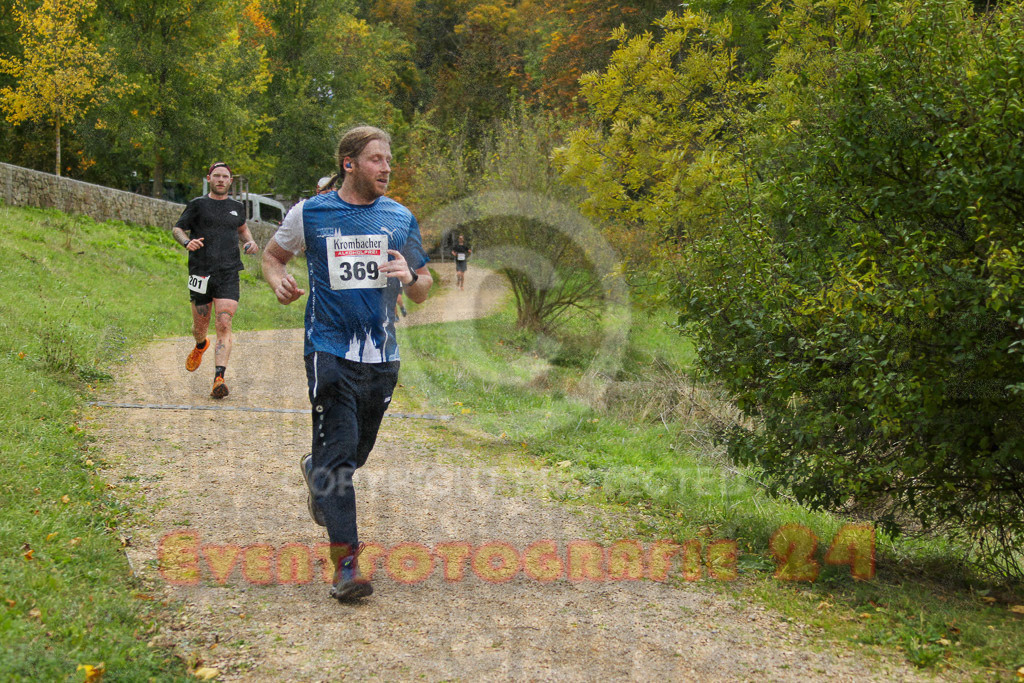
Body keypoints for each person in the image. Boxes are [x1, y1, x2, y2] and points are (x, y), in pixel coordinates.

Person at [262, 126, 432, 602]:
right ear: (349, 163)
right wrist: (277, 280)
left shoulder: (399, 218)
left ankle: (317, 470)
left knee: (352, 456)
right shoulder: (310, 213)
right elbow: (273, 256)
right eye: (377, 159)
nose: (386, 168)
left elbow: (423, 287)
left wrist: (411, 276)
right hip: (329, 349)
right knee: (339, 458)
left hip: (382, 356)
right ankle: (346, 567)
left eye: (389, 160)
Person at [171, 162, 259, 398]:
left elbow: (242, 229)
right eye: (217, 176)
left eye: (225, 177)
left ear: (230, 181)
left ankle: (219, 378)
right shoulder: (197, 205)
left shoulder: (237, 207)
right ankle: (201, 344)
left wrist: (249, 241)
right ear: (209, 178)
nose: (221, 180)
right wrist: (186, 242)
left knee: (224, 323)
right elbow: (177, 229)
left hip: (228, 273)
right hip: (200, 272)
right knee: (200, 327)